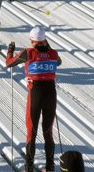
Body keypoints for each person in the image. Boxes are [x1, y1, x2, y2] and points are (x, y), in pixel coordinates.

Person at [6, 26, 62, 172]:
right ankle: (50, 167)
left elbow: (9, 63)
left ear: (31, 40)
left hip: (35, 94)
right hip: (51, 93)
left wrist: (10, 49)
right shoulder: (53, 53)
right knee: (48, 132)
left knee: (32, 131)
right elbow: (59, 62)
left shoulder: (28, 52)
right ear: (44, 40)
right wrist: (46, 45)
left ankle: (29, 167)